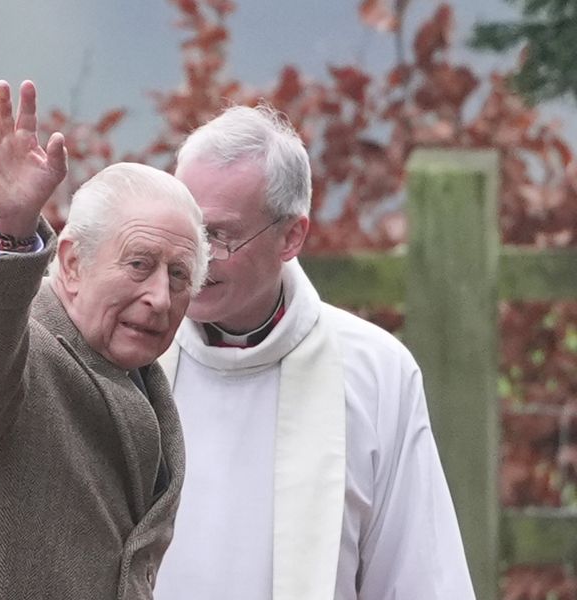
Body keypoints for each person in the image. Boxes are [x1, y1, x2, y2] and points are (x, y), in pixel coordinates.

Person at [0, 79, 209, 600]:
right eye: (139, 265)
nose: (161, 298)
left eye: (179, 276)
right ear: (72, 263)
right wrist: (8, 230)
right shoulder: (15, 356)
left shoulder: (144, 386)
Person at [152, 105, 474, 599]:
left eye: (217, 235)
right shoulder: (134, 353)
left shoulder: (374, 373)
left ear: (291, 236)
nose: (193, 259)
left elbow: (417, 575)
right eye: (185, 228)